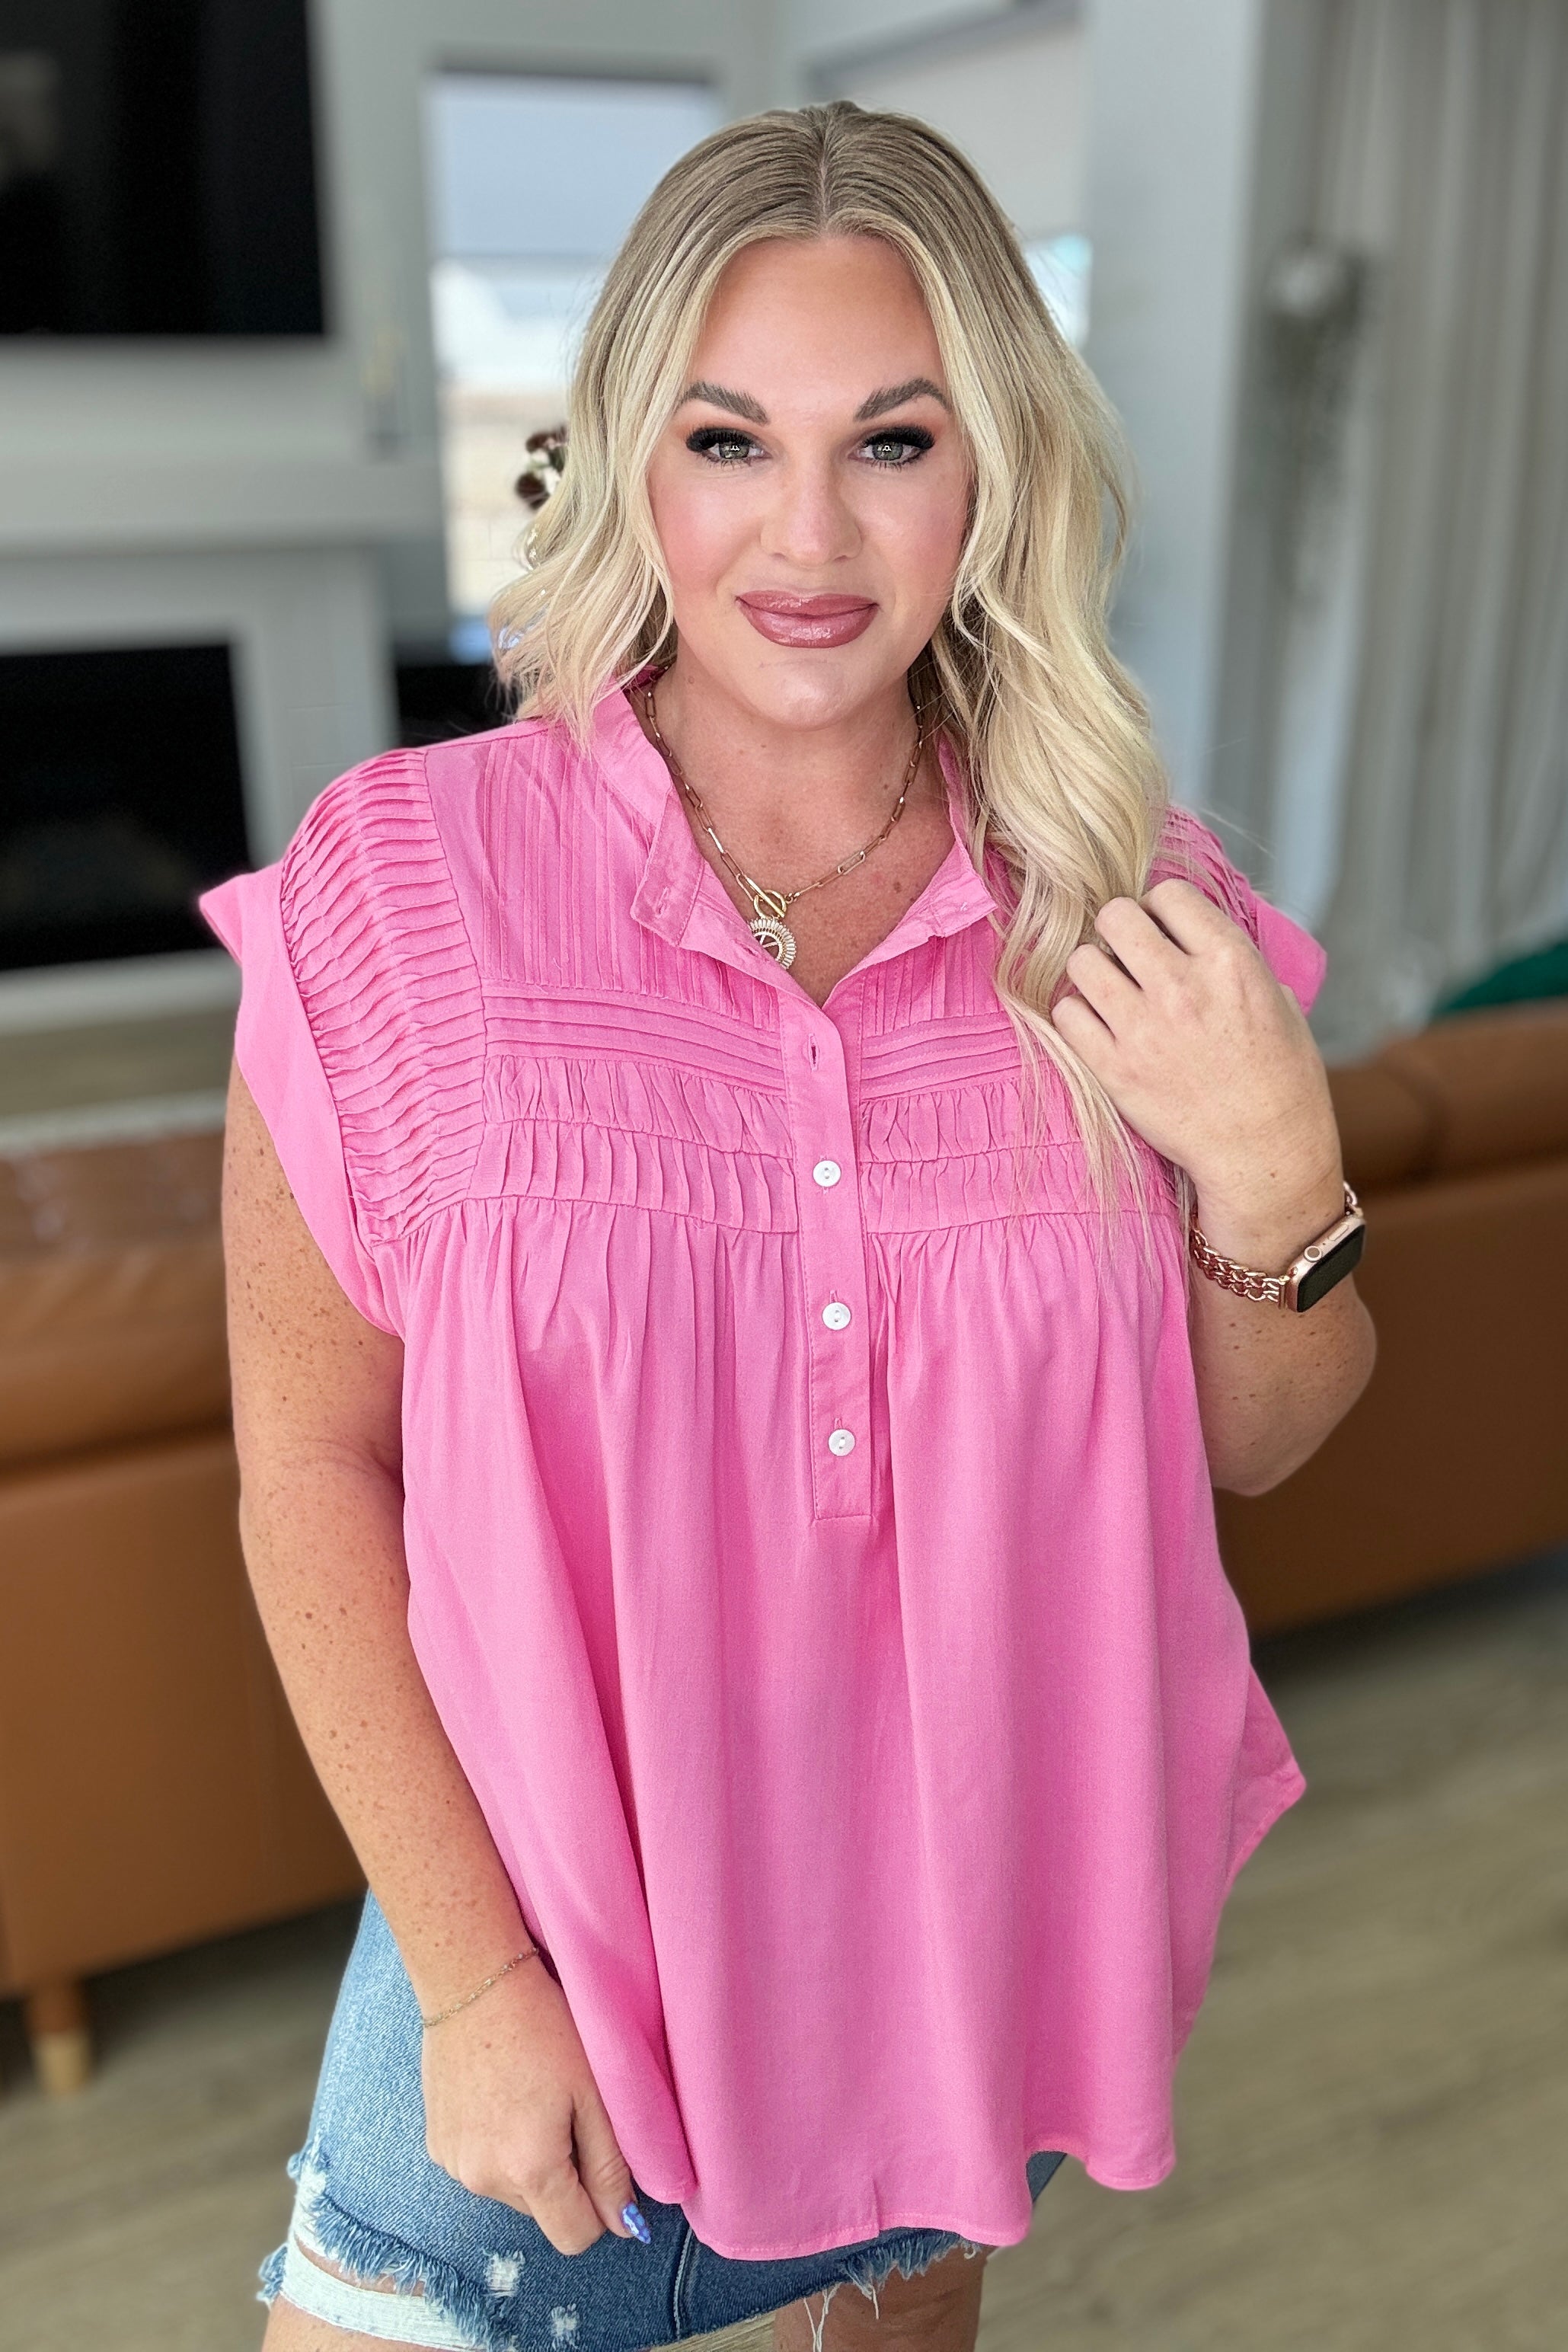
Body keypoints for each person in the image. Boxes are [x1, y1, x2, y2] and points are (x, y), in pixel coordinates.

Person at [205, 101, 1375, 2352]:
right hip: (543, 1956)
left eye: (892, 442)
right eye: (730, 439)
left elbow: (1261, 1439)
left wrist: (1274, 1169)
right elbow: (310, 1469)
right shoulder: (405, 883)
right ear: (632, 461)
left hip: (969, 1925)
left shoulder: (1128, 899)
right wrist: (471, 1985)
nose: (808, 533)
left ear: (993, 472)